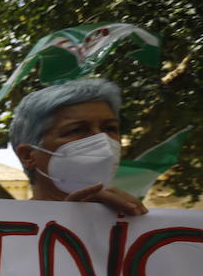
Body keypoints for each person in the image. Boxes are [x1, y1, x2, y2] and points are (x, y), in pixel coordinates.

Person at [9, 78, 147, 216]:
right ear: (28, 156)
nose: (102, 140)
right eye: (76, 130)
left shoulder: (134, 223)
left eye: (110, 128)